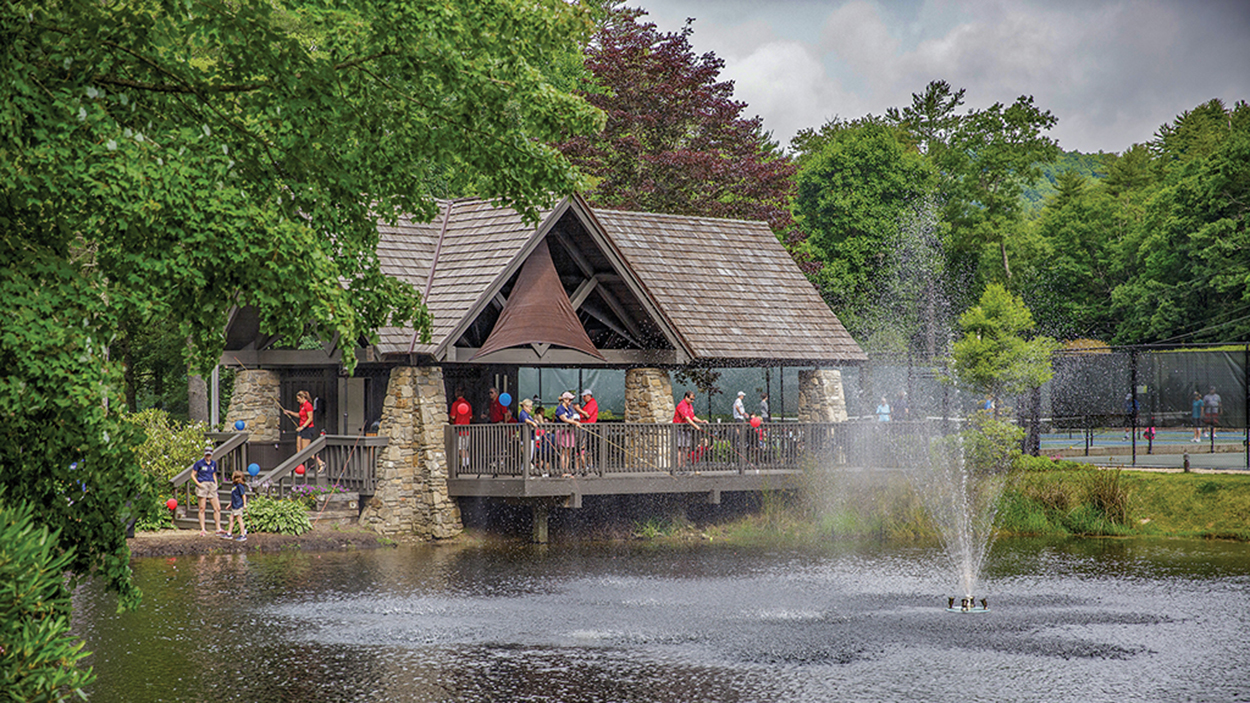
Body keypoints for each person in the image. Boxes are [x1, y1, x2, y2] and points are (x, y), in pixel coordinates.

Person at [282, 390, 324, 473]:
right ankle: (299, 466)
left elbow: (310, 418)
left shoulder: (308, 406)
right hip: (302, 428)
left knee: (306, 450)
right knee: (298, 447)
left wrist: (303, 427)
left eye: (298, 399)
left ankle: (321, 463)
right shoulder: (302, 406)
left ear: (303, 398)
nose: (298, 401)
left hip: (307, 429)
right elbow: (299, 415)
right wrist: (289, 412)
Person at [191, 446, 224, 537]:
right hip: (203, 484)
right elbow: (193, 475)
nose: (208, 456)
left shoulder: (213, 463)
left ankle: (218, 528)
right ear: (204, 454)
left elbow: (214, 474)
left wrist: (216, 483)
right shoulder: (199, 463)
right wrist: (199, 484)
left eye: (209, 454)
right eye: (207, 454)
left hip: (211, 485)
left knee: (217, 508)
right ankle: (203, 529)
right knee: (202, 508)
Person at [673, 390, 708, 468]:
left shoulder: (690, 405)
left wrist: (701, 421)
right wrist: (696, 426)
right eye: (691, 399)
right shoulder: (682, 405)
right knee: (680, 448)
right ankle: (679, 467)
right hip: (679, 428)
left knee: (687, 448)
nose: (692, 401)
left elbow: (693, 416)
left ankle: (684, 466)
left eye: (693, 399)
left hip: (687, 429)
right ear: (686, 397)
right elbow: (687, 418)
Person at [554, 391, 582, 476]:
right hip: (562, 432)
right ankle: (563, 471)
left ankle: (567, 469)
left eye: (571, 400)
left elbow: (572, 417)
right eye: (569, 400)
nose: (570, 402)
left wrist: (575, 421)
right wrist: (575, 423)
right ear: (565, 400)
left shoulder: (569, 409)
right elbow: (564, 418)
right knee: (564, 452)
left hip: (570, 433)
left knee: (568, 453)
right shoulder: (560, 409)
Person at [518, 398, 547, 476]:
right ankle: (525, 472)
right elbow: (526, 420)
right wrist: (532, 423)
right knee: (528, 455)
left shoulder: (528, 414)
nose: (531, 408)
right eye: (530, 407)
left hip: (531, 437)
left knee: (529, 455)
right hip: (526, 437)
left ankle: (525, 471)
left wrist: (535, 422)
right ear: (525, 406)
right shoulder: (523, 413)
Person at [450, 387, 473, 470]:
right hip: (467, 430)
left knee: (460, 448)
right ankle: (467, 463)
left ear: (456, 394)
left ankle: (464, 465)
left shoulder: (455, 404)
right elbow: (470, 417)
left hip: (459, 430)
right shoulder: (468, 404)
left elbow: (453, 416)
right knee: (465, 448)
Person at [575, 389, 599, 470]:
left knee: (584, 446)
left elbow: (588, 415)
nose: (583, 398)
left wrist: (578, 410)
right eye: (582, 396)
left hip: (588, 428)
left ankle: (588, 465)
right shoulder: (587, 404)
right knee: (584, 447)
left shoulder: (592, 403)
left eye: (584, 396)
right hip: (584, 427)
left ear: (589, 395)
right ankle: (586, 465)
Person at [225, 470, 248, 541]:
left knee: (239, 520)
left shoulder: (240, 486)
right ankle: (229, 533)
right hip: (234, 505)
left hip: (238, 506)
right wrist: (230, 504)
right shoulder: (234, 486)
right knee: (231, 519)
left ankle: (242, 535)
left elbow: (243, 496)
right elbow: (234, 496)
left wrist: (244, 504)